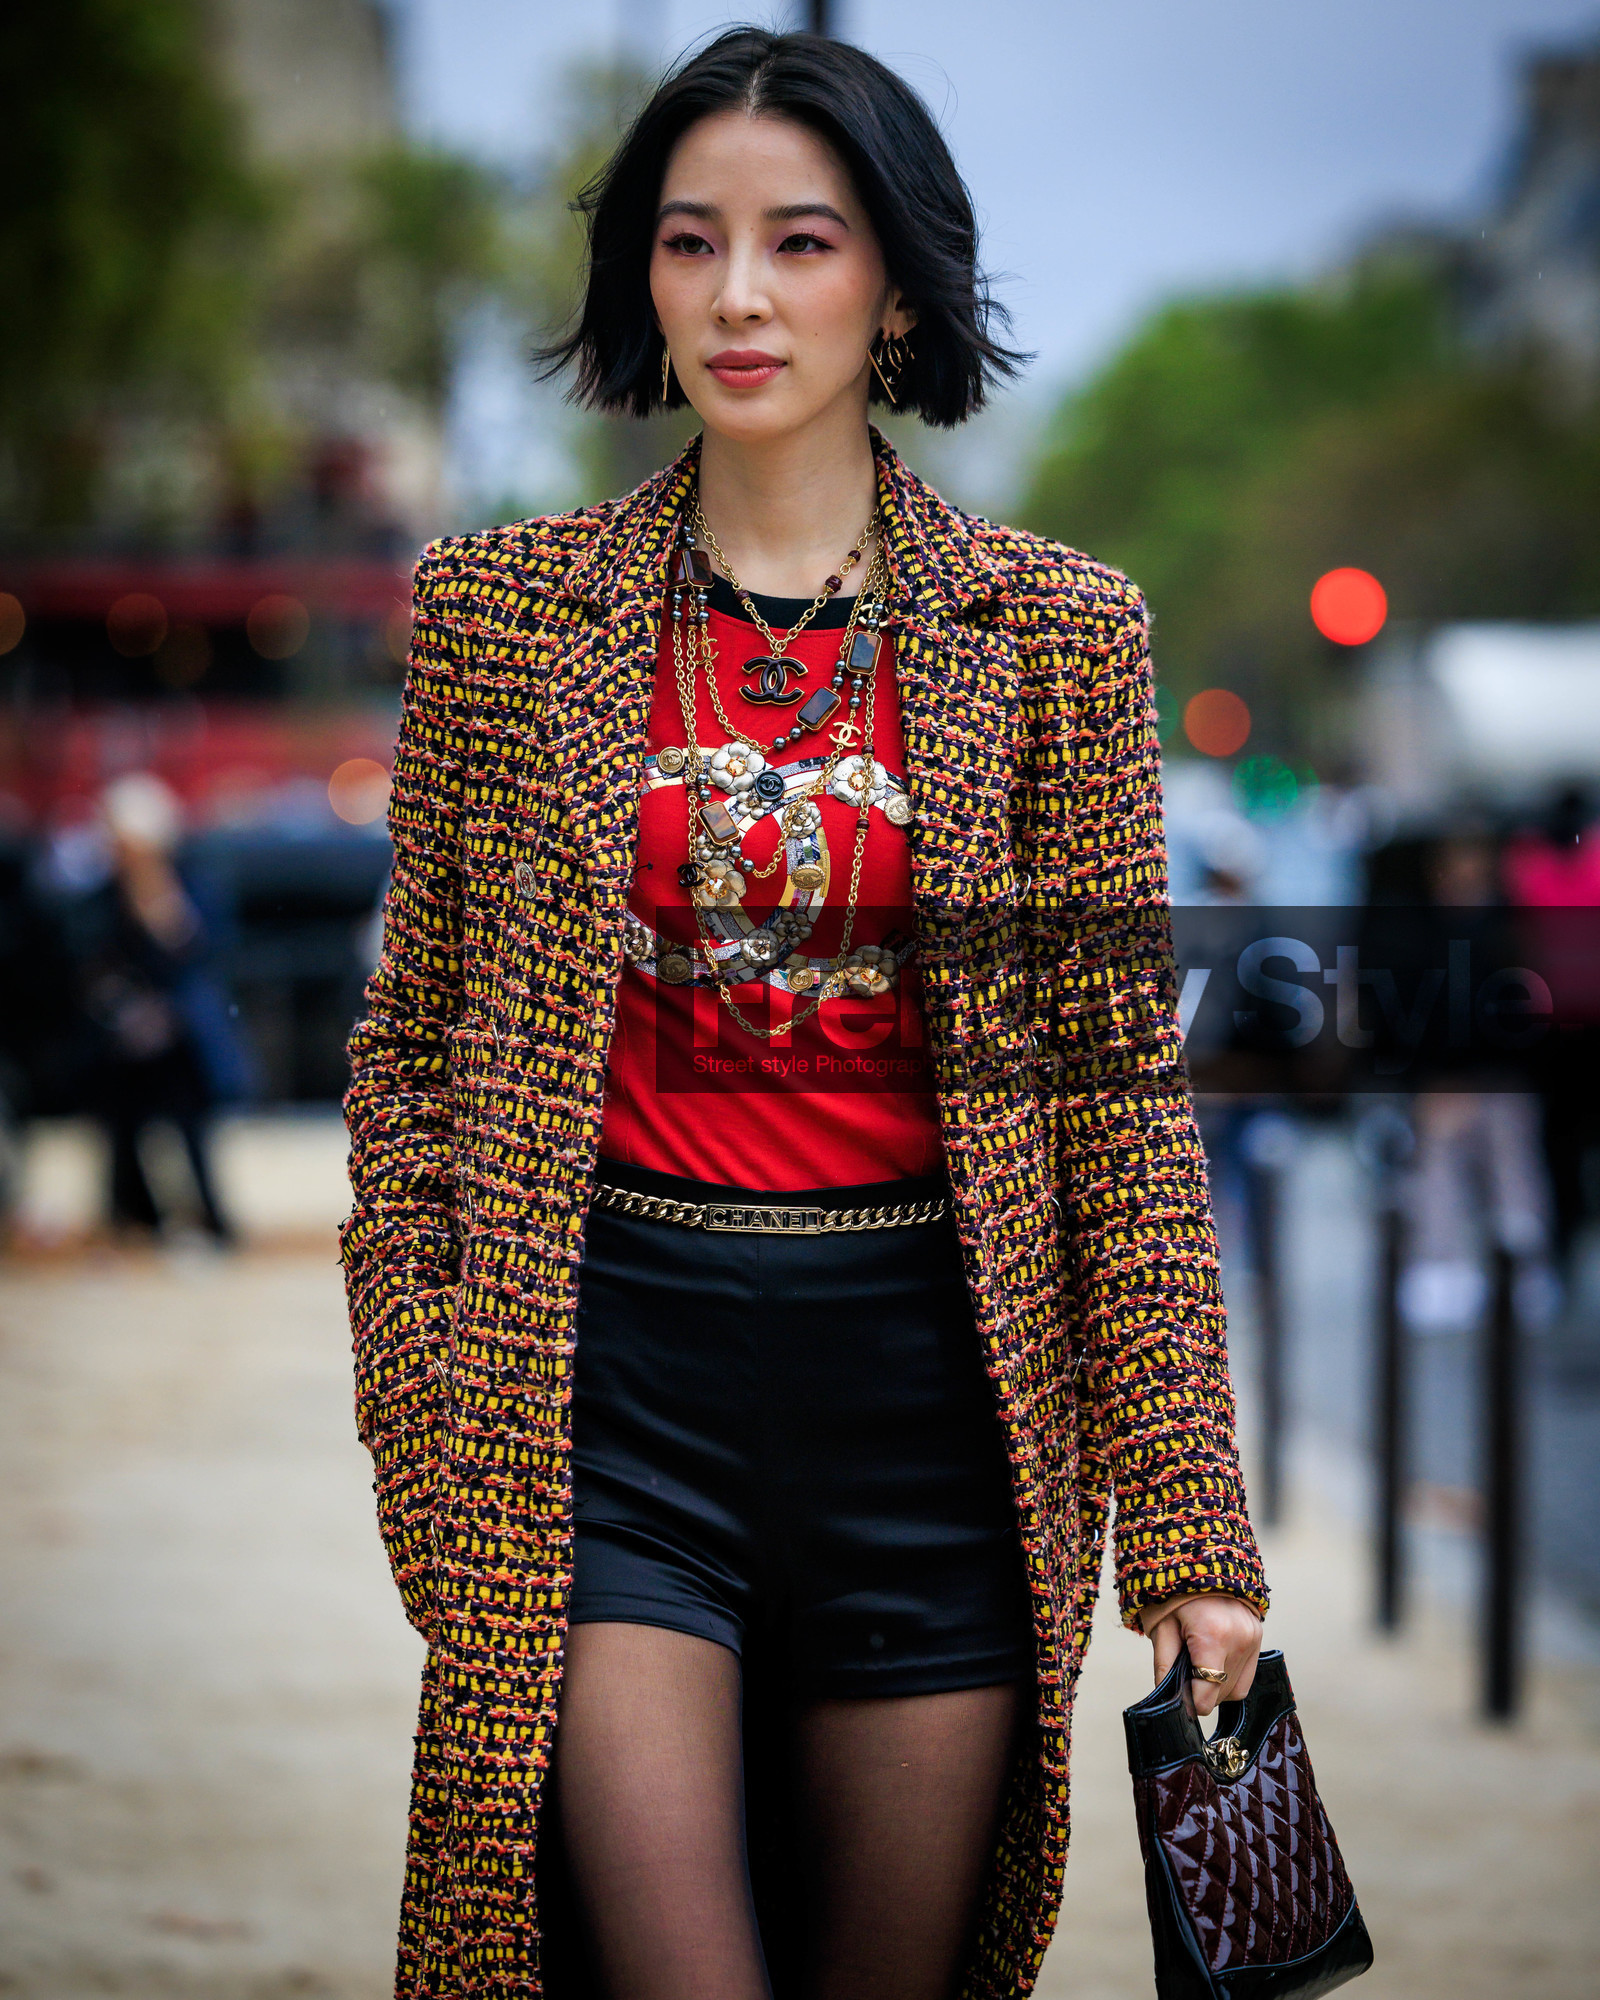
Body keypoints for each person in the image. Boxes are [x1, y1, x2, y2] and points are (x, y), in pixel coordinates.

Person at [340, 29, 1266, 2000]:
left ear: (896, 284)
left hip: (932, 1421)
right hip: (608, 1405)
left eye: (797, 241)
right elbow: (411, 1053)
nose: (739, 294)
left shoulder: (1052, 637)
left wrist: (1188, 1525)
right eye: (688, 244)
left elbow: (1113, 1108)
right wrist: (431, 1438)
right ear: (639, 284)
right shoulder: (502, 618)